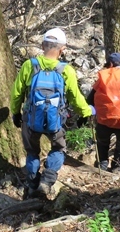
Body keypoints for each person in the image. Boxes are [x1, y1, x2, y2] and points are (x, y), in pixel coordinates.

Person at [10, 28, 94, 198]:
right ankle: (47, 181)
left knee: (32, 151)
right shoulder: (66, 70)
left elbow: (17, 93)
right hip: (54, 121)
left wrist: (15, 113)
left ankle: (33, 186)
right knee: (58, 148)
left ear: (43, 45)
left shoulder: (29, 66)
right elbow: (75, 97)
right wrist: (87, 112)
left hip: (31, 120)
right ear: (62, 49)